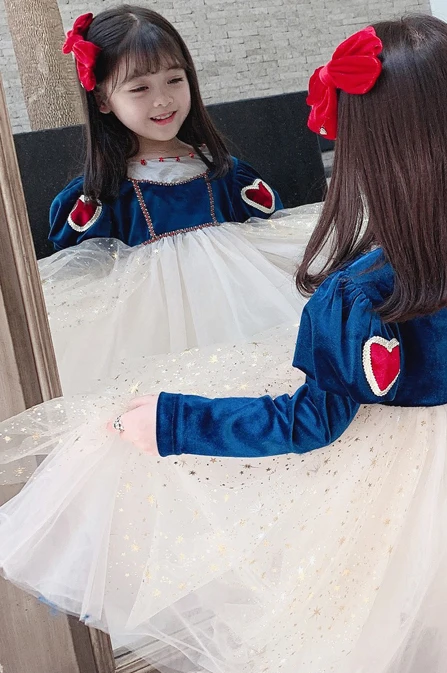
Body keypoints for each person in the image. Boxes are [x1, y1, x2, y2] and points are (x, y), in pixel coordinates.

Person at [0, 17, 447, 673]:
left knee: (369, 626)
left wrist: (173, 421)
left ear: (369, 151)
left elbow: (308, 423)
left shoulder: (354, 297)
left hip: (390, 470)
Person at [44, 6, 313, 393]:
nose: (162, 100)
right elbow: (87, 280)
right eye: (140, 88)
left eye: (174, 79)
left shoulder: (227, 176)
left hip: (242, 311)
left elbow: (270, 231)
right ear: (102, 99)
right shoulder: (101, 197)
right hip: (146, 337)